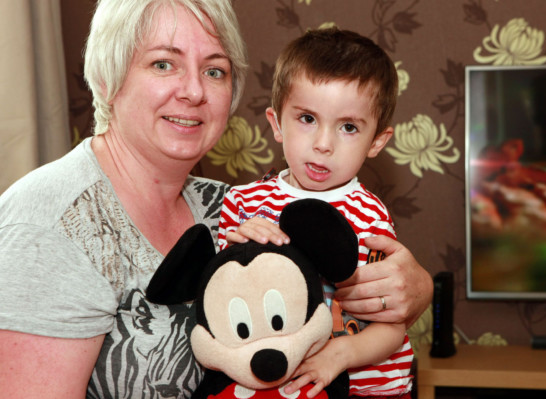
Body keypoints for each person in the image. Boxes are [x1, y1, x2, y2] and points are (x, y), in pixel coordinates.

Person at [0, 1, 432, 398]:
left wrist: (417, 289)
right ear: (107, 78)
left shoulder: (229, 204)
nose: (193, 91)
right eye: (163, 63)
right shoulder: (50, 225)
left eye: (214, 70)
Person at [217, 28, 412, 399]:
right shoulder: (242, 203)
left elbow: (393, 327)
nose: (324, 144)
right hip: (279, 386)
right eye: (307, 119)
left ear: (377, 142)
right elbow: (220, 305)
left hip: (368, 390)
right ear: (277, 124)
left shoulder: (369, 217)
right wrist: (237, 250)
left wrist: (342, 353)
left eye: (349, 127)